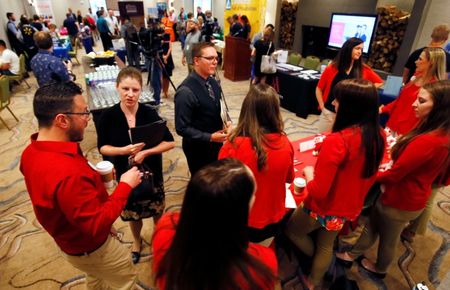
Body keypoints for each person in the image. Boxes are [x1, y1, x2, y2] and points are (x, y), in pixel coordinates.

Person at [20, 81, 142, 290]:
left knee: (95, 277)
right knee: (125, 281)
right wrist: (125, 185)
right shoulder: (68, 173)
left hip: (70, 241)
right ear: (62, 120)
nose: (87, 120)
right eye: (84, 113)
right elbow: (94, 224)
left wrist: (92, 176)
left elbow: (60, 194)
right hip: (92, 247)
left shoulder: (31, 152)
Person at [336, 80, 450, 279]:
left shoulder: (428, 141)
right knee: (373, 224)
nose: (414, 104)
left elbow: (395, 174)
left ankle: (381, 269)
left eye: (421, 101)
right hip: (410, 196)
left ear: (438, 108)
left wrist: (368, 175)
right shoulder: (439, 134)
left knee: (388, 238)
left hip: (401, 199)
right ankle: (350, 254)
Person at [285, 79, 385, 289]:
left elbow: (319, 191)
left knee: (293, 231)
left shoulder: (339, 141)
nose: (333, 102)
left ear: (351, 107)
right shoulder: (379, 134)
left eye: (338, 99)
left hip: (323, 207)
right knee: (326, 244)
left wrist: (309, 172)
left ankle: (311, 264)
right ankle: (314, 281)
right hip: (349, 207)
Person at [152, 158, 278, 290]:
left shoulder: (165, 226)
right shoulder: (261, 264)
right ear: (240, 209)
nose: (255, 198)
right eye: (253, 194)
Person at [97, 67, 175, 264]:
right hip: (125, 175)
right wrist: (124, 151)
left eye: (135, 90)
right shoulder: (108, 116)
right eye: (125, 89)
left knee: (157, 211)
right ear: (117, 88)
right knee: (133, 214)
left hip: (152, 173)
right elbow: (103, 148)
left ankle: (159, 241)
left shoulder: (150, 114)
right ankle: (137, 242)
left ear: (141, 90)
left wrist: (146, 152)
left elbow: (170, 142)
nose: (130, 94)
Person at [219, 84, 294, 243]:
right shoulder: (286, 144)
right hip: (273, 217)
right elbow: (289, 180)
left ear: (246, 109)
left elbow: (222, 189)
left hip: (242, 220)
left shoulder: (232, 147)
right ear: (276, 111)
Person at [175, 42, 231, 175]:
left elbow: (220, 104)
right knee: (202, 184)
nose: (215, 62)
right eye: (210, 58)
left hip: (215, 143)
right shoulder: (185, 91)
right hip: (197, 148)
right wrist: (210, 137)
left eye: (216, 58)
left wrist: (227, 121)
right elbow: (181, 128)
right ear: (196, 60)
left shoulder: (212, 81)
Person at [315, 37, 383, 132]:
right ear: (348, 48)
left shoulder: (363, 69)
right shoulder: (332, 67)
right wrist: (322, 107)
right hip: (329, 112)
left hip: (350, 116)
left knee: (341, 142)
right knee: (321, 139)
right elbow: (319, 89)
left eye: (361, 49)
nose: (360, 52)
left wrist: (363, 90)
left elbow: (379, 82)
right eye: (357, 48)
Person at [381, 47, 447, 136]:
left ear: (431, 63)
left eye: (420, 59)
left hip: (408, 131)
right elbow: (401, 100)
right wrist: (384, 109)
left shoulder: (434, 88)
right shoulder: (416, 77)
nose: (416, 62)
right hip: (393, 123)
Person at [162, 32, 174, 99]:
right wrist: (163, 56)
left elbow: (170, 48)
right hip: (162, 57)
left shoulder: (167, 37)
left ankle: (166, 91)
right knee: (163, 76)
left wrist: (166, 57)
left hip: (168, 59)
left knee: (168, 76)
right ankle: (163, 90)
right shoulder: (160, 39)